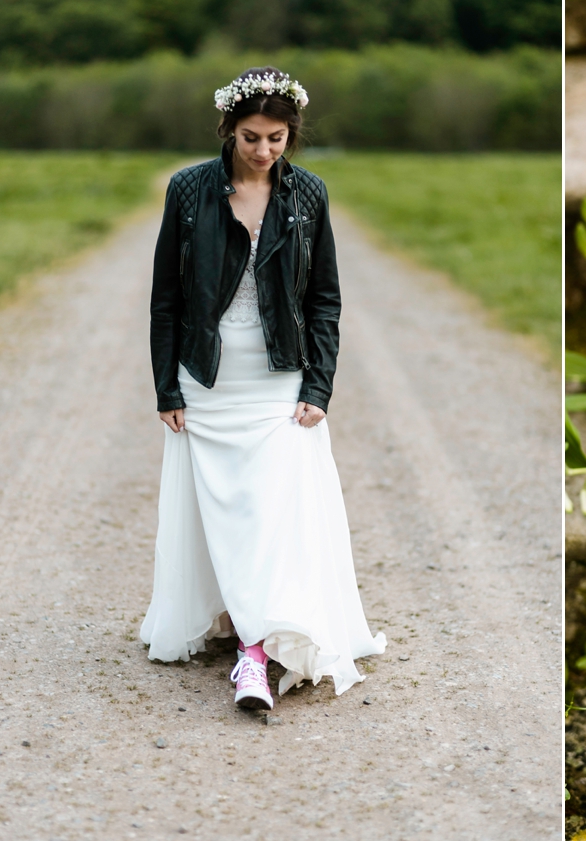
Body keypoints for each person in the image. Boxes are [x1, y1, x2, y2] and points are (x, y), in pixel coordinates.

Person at [140, 67, 386, 711]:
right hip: (208, 376)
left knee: (274, 512)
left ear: (291, 134)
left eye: (277, 138)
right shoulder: (189, 189)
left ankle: (256, 656)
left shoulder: (309, 195)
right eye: (251, 137)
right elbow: (165, 295)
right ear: (228, 130)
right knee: (223, 510)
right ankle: (238, 619)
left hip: (280, 379)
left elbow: (324, 298)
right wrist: (167, 384)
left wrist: (319, 384)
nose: (264, 151)